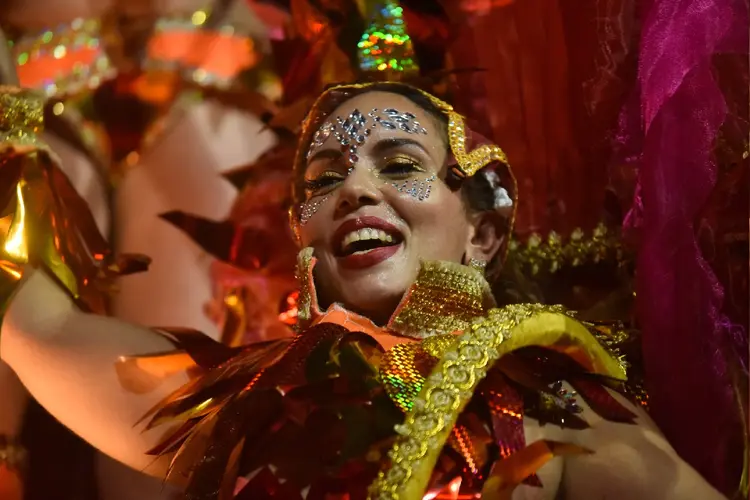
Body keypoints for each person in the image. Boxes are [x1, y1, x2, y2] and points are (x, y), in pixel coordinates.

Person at [0, 82, 727, 499]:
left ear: (483, 231)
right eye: (323, 179)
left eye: (400, 163)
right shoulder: (246, 414)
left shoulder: (568, 414)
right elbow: (38, 327)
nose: (354, 189)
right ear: (301, 236)